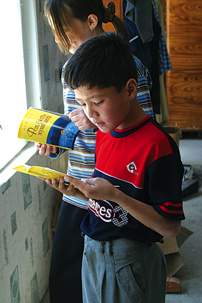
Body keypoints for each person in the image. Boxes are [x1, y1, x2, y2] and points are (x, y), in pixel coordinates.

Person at [41, 32, 185, 303]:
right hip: (93, 251)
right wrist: (78, 191)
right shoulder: (105, 133)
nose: (90, 114)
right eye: (82, 104)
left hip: (130, 260)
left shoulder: (157, 146)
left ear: (130, 89)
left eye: (97, 102)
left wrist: (115, 195)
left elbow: (170, 227)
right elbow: (105, 204)